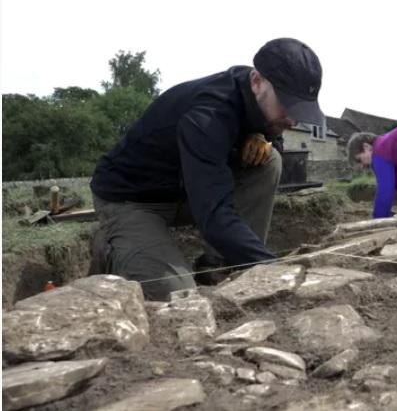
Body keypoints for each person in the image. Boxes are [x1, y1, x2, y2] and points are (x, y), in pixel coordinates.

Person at [90, 38, 324, 301]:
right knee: (177, 295)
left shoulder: (256, 100)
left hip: (186, 191)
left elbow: (270, 137)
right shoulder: (208, 116)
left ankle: (218, 267)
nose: (293, 119)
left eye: (300, 109)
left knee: (269, 160)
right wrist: (273, 268)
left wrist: (266, 137)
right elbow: (212, 214)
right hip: (132, 201)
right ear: (257, 82)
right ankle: (114, 246)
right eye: (287, 104)